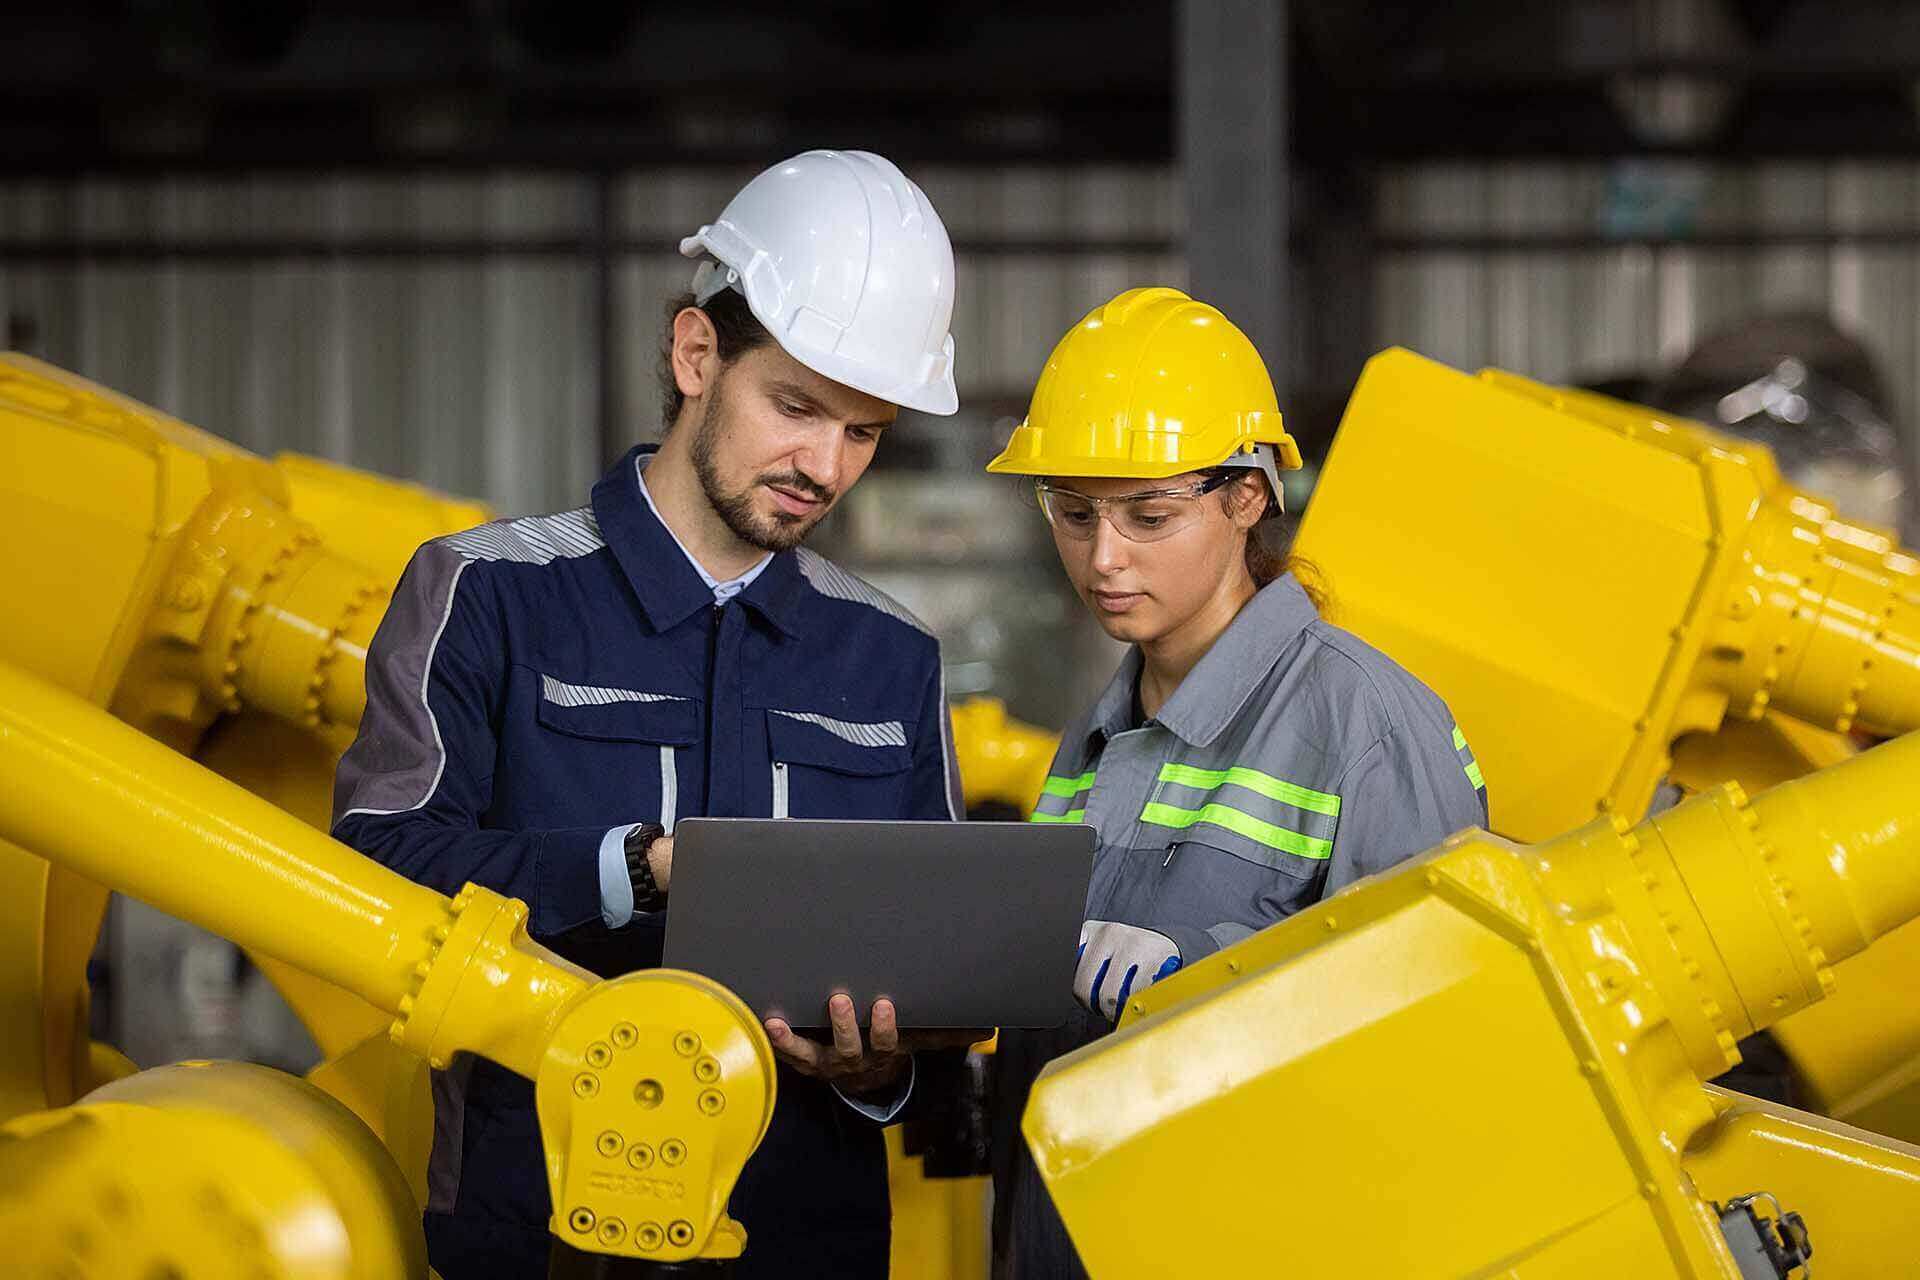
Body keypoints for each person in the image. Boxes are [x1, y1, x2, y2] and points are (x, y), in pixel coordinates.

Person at [332, 149, 965, 1280]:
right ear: (694, 352)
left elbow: (934, 968)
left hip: (803, 1245)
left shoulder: (891, 658)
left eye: (863, 432)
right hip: (539, 1236)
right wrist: (636, 866)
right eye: (797, 405)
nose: (824, 465)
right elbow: (377, 871)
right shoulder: (491, 593)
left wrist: (881, 1066)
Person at [981, 287, 1490, 1277]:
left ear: (1247, 495)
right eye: (1073, 512)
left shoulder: (1364, 722)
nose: (1104, 556)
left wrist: (1205, 972)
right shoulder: (1097, 733)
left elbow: (1441, 1038)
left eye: (1150, 514)